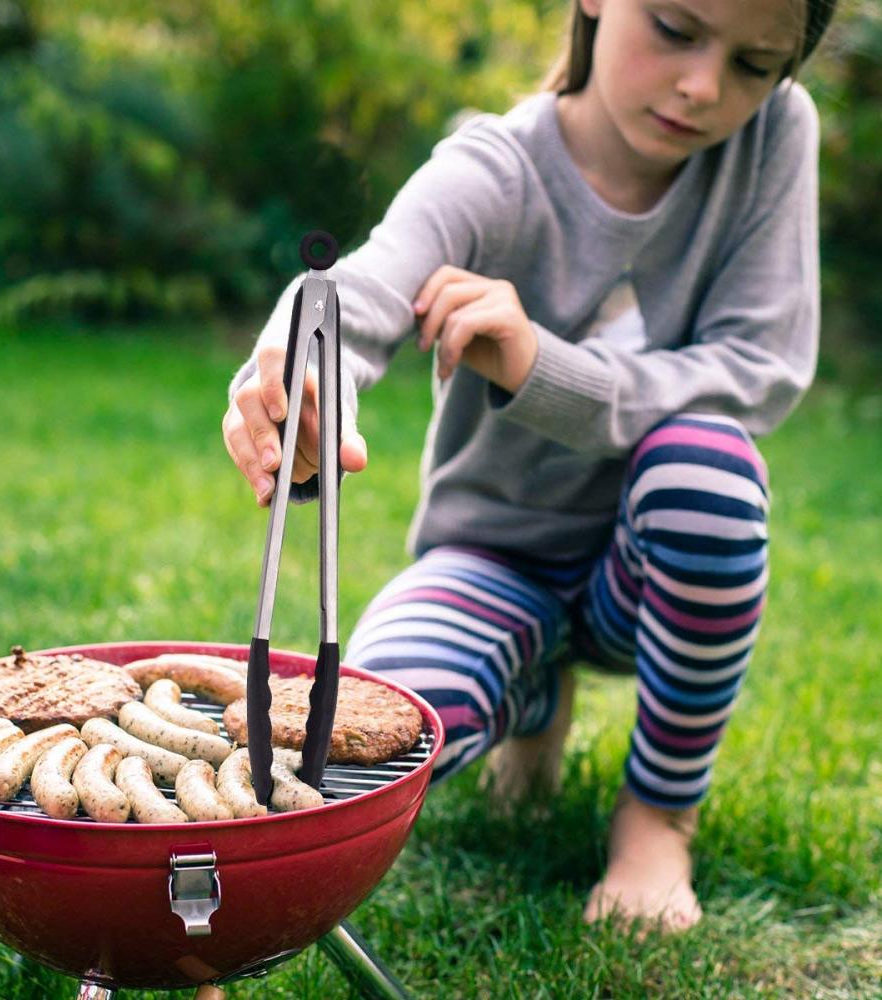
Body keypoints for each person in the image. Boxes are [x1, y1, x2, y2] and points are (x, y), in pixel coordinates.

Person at [221, 0, 837, 935]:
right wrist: (300, 376)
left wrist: (540, 364)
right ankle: (528, 692)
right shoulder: (495, 164)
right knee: (358, 736)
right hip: (494, 559)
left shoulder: (773, 139)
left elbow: (759, 370)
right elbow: (367, 287)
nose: (705, 87)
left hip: (656, 579)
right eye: (674, 28)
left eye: (755, 64)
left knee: (707, 470)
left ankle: (657, 820)